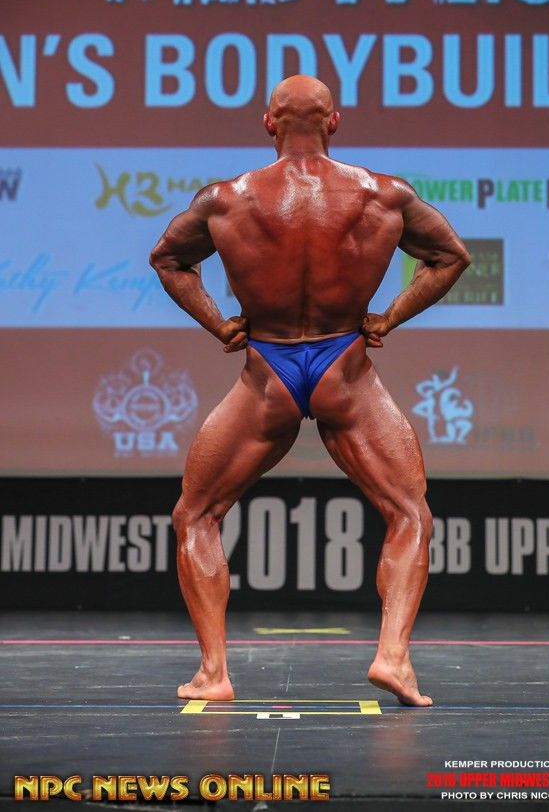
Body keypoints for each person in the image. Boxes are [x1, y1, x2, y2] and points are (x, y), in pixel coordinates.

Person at [150, 76, 470, 707]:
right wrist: (389, 318)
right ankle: (392, 658)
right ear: (335, 122)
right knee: (410, 514)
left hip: (266, 369)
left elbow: (168, 260)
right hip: (344, 367)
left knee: (196, 514)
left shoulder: (226, 200)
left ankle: (214, 673)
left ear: (268, 123)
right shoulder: (383, 195)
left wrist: (221, 325)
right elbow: (451, 256)